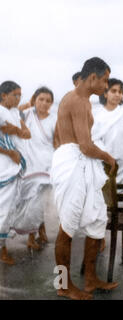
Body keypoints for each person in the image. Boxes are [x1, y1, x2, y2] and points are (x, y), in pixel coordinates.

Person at [50, 57, 118, 300]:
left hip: (81, 163)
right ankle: (63, 285)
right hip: (72, 163)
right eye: (105, 80)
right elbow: (86, 146)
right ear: (92, 78)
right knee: (67, 226)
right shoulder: (77, 101)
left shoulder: (85, 102)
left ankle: (90, 279)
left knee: (97, 218)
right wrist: (108, 157)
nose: (106, 85)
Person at [92, 78, 123, 253]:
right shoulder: (97, 114)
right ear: (105, 93)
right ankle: (100, 238)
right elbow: (94, 141)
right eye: (113, 91)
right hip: (103, 165)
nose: (117, 94)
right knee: (102, 203)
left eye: (120, 91)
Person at [12, 87, 56, 250]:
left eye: (48, 100)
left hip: (46, 165)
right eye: (41, 99)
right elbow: (9, 112)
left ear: (51, 103)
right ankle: (40, 229)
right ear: (34, 100)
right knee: (27, 200)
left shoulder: (54, 119)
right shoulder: (27, 114)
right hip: (27, 164)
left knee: (37, 201)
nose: (44, 103)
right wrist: (28, 104)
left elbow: (57, 143)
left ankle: (32, 237)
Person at [0, 81, 30, 265]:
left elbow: (26, 134)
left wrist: (17, 129)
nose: (18, 98)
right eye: (15, 95)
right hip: (4, 164)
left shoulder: (14, 112)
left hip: (16, 164)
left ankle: (3, 246)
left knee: (10, 207)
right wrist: (10, 152)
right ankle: (2, 250)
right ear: (3, 95)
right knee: (3, 208)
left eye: (20, 95)